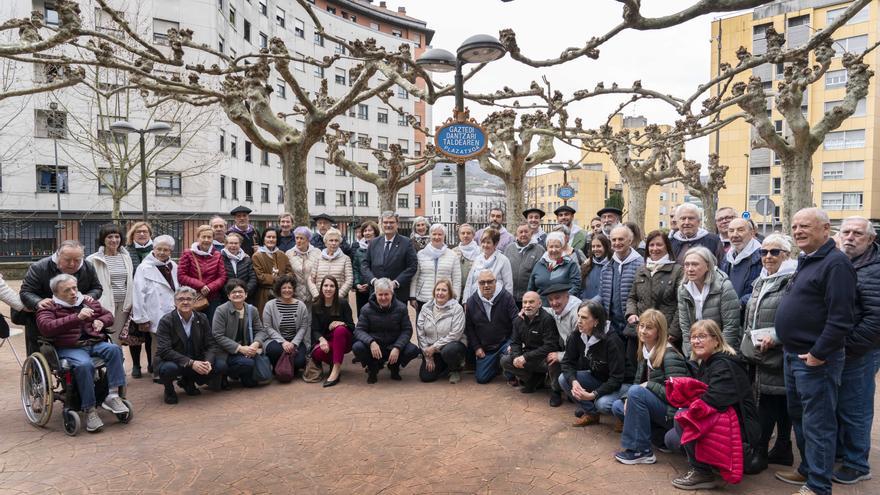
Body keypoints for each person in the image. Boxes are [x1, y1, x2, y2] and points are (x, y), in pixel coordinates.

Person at [773, 209, 857, 495]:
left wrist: (818, 353)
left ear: (825, 229)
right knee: (801, 418)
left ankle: (819, 485)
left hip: (815, 360)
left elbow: (841, 318)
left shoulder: (836, 264)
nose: (798, 231)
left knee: (818, 423)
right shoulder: (808, 259)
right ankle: (808, 470)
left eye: (805, 226)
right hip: (794, 354)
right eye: (795, 226)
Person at [665, 320, 760, 490]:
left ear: (716, 340)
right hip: (725, 424)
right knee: (671, 439)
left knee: (683, 417)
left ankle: (703, 472)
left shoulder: (724, 364)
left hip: (741, 433)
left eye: (702, 336)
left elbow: (715, 400)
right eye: (693, 337)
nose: (696, 341)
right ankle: (712, 462)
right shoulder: (709, 361)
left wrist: (688, 402)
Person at [36, 273, 128, 433]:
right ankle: (89, 409)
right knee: (84, 364)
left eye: (74, 288)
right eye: (67, 290)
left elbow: (108, 315)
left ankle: (112, 396)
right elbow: (46, 328)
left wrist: (101, 321)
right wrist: (76, 317)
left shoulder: (86, 301)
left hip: (93, 343)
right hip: (69, 347)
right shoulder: (50, 307)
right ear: (56, 293)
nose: (73, 293)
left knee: (114, 350)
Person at [739, 234, 796, 468]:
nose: (768, 256)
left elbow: (797, 316)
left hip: (778, 349)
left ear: (787, 255)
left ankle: (760, 451)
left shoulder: (792, 279)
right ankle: (781, 448)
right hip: (760, 351)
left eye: (774, 252)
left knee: (771, 401)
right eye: (764, 252)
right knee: (773, 400)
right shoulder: (762, 279)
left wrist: (776, 337)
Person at [834, 217, 880, 485]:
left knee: (856, 408)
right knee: (840, 404)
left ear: (871, 239)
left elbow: (876, 319)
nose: (850, 237)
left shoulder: (874, 269)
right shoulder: (843, 262)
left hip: (859, 351)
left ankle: (857, 464)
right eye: (846, 232)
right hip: (841, 349)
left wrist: (849, 347)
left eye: (857, 233)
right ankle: (842, 453)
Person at [612, 309, 689, 465]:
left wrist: (649, 385)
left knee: (636, 392)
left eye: (649, 328)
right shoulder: (646, 351)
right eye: (641, 326)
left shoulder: (669, 355)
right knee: (618, 406)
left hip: (672, 414)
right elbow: (637, 382)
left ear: (659, 331)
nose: (643, 331)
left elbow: (679, 396)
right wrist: (627, 398)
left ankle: (641, 451)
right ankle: (659, 439)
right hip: (658, 407)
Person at [20, 240, 103, 356]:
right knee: (40, 353)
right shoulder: (39, 267)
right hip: (45, 318)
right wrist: (38, 302)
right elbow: (26, 292)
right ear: (58, 255)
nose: (72, 264)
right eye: (67, 260)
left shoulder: (88, 267)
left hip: (78, 320)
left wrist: (89, 296)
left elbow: (97, 288)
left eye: (77, 260)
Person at [558, 300, 625, 426]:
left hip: (621, 383)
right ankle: (592, 413)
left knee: (602, 404)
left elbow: (617, 378)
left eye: (584, 317)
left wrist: (593, 394)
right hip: (598, 378)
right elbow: (567, 363)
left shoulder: (612, 341)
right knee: (563, 379)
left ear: (596, 321)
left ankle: (622, 416)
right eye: (578, 316)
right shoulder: (577, 335)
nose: (579, 321)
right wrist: (574, 381)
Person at [155, 286, 223, 404]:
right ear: (175, 302)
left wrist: (208, 362)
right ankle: (169, 390)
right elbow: (164, 350)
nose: (185, 302)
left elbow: (211, 345)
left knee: (220, 366)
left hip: (195, 357)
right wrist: (191, 363)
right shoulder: (166, 321)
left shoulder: (202, 318)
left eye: (189, 299)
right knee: (169, 369)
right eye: (181, 299)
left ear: (194, 301)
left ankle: (187, 381)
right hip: (173, 360)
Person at [352, 278, 420, 383]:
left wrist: (397, 347)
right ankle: (372, 367)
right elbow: (359, 330)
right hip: (375, 347)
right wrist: (371, 342)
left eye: (386, 294)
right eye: (380, 295)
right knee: (357, 347)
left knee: (413, 350)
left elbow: (407, 330)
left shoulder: (401, 308)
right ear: (375, 294)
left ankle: (394, 366)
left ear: (392, 294)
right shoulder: (366, 309)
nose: (383, 298)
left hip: (393, 345)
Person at [677, 246, 741, 357]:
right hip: (696, 351)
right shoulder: (683, 289)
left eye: (695, 264)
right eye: (687, 265)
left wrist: (718, 355)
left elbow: (731, 327)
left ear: (707, 265)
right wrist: (692, 355)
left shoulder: (723, 286)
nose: (690, 269)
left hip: (722, 351)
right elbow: (685, 327)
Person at [130, 235, 178, 378]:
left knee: (173, 342)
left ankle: (173, 370)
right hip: (154, 312)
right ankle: (158, 372)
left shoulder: (174, 266)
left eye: (166, 250)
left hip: (172, 310)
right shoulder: (144, 267)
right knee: (157, 344)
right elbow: (138, 294)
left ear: (171, 251)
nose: (162, 252)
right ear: (154, 249)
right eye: (159, 249)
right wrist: (142, 318)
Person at [626, 230, 683, 346]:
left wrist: (673, 331)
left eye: (659, 244)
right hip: (641, 331)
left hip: (665, 333)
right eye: (651, 245)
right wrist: (631, 313)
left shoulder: (677, 271)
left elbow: (681, 305)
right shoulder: (641, 270)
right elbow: (632, 297)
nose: (655, 248)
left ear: (667, 247)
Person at [211, 278, 269, 388]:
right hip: (225, 351)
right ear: (228, 296)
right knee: (246, 364)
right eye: (233, 292)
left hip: (247, 350)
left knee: (251, 383)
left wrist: (255, 344)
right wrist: (240, 348)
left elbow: (260, 331)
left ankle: (241, 374)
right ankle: (225, 375)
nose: (237, 294)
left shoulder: (252, 310)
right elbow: (218, 335)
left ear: (246, 294)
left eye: (240, 291)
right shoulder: (221, 310)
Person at [464, 269, 519, 384]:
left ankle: (510, 373)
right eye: (482, 282)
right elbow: (469, 328)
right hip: (487, 348)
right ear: (478, 284)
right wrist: (477, 347)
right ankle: (497, 365)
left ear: (495, 282)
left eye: (489, 282)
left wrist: (513, 342)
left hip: (505, 344)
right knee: (482, 378)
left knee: (509, 355)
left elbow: (516, 322)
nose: (486, 285)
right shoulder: (471, 302)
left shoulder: (506, 297)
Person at [501, 291, 558, 392]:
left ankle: (555, 391)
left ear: (539, 304)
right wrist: (516, 357)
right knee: (505, 360)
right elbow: (515, 342)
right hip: (527, 356)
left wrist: (525, 357)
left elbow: (550, 346)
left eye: (531, 302)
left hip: (543, 358)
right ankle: (533, 380)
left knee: (554, 362)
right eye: (525, 302)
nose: (527, 305)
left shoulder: (547, 319)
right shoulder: (518, 320)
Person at [87, 224, 133, 346]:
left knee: (117, 339)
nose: (114, 240)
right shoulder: (92, 259)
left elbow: (129, 281)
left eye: (117, 237)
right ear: (103, 239)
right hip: (103, 304)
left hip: (123, 305)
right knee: (103, 336)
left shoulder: (126, 258)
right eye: (110, 237)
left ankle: (117, 358)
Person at [416, 279, 467, 384]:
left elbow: (456, 334)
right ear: (434, 291)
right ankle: (444, 366)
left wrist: (434, 347)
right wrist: (427, 356)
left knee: (449, 351)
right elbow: (420, 333)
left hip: (451, 346)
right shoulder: (425, 308)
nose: (440, 293)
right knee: (426, 377)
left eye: (444, 290)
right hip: (432, 351)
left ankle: (455, 369)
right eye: (438, 290)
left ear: (450, 293)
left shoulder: (457, 308)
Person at [361, 211, 418, 301]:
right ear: (381, 224)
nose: (388, 225)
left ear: (397, 224)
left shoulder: (407, 243)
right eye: (385, 222)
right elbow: (365, 265)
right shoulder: (374, 242)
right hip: (376, 294)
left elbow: (412, 266)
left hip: (398, 294)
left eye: (391, 222)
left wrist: (396, 283)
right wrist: (373, 281)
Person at [541, 284, 582, 407]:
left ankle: (575, 392)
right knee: (551, 356)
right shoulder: (559, 309)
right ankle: (556, 390)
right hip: (569, 349)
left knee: (556, 357)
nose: (554, 303)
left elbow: (581, 348)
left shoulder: (577, 314)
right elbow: (547, 310)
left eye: (557, 297)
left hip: (583, 355)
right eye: (550, 299)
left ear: (567, 296)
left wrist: (560, 356)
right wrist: (528, 309)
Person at [261, 275, 309, 378]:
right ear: (279, 289)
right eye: (284, 288)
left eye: (289, 287)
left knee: (299, 361)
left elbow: (303, 326)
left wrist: (294, 343)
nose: (287, 290)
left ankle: (288, 368)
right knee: (275, 350)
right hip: (275, 340)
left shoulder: (301, 305)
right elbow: (267, 327)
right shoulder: (270, 305)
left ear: (293, 289)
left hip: (295, 341)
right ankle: (277, 367)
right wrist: (283, 342)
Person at [310, 275, 354, 386]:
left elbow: (352, 326)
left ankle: (335, 370)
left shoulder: (343, 303)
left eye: (332, 286)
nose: (328, 289)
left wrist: (342, 323)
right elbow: (315, 329)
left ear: (336, 288)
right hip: (328, 342)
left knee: (339, 330)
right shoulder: (316, 305)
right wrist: (322, 340)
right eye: (325, 285)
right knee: (317, 352)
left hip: (343, 341)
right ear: (321, 288)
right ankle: (335, 362)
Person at [178, 224, 227, 323]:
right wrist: (201, 286)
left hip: (212, 299)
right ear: (198, 238)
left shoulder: (217, 255)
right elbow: (181, 276)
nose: (206, 240)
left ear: (213, 239)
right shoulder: (188, 253)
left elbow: (222, 277)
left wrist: (209, 288)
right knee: (193, 326)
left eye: (209, 237)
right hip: (193, 297)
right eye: (203, 237)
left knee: (211, 326)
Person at [411, 224, 461, 313]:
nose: (437, 237)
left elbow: (456, 279)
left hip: (445, 299)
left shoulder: (452, 255)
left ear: (444, 236)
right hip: (424, 298)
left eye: (440, 234)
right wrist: (412, 296)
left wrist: (455, 298)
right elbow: (415, 277)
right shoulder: (421, 254)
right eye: (434, 234)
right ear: (430, 235)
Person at [528, 232, 580, 305]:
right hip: (542, 306)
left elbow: (576, 285)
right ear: (547, 248)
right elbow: (531, 288)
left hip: (562, 306)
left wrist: (564, 299)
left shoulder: (570, 264)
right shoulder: (539, 264)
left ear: (562, 248)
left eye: (557, 246)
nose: (554, 250)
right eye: (551, 247)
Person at [462, 228, 514, 302]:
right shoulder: (477, 259)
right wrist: (465, 300)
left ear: (495, 244)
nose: (485, 245)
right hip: (476, 301)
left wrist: (506, 303)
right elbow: (469, 282)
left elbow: (508, 285)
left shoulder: (503, 260)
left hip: (496, 302)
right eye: (483, 242)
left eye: (488, 242)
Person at [252, 226, 294, 315]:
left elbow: (290, 272)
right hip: (264, 294)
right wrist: (277, 278)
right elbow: (260, 276)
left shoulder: (282, 255)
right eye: (268, 237)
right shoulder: (257, 256)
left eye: (274, 237)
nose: (271, 239)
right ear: (264, 239)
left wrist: (284, 279)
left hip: (282, 293)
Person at [722, 218, 762, 305]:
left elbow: (763, 290)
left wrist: (740, 304)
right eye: (731, 231)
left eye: (740, 230)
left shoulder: (763, 258)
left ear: (752, 233)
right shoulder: (727, 258)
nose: (735, 235)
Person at [504, 222, 545, 306]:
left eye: (526, 231)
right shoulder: (509, 249)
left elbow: (542, 275)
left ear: (531, 233)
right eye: (521, 232)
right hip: (510, 297)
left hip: (530, 299)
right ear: (516, 234)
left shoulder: (540, 250)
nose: (523, 234)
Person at [309, 227, 353, 301]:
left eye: (336, 240)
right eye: (331, 240)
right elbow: (311, 279)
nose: (334, 243)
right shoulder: (318, 258)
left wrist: (338, 296)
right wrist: (316, 295)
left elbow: (349, 280)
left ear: (339, 243)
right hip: (320, 300)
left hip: (338, 300)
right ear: (325, 242)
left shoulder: (346, 259)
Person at [286, 226, 321, 306]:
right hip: (296, 295)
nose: (298, 241)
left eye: (301, 238)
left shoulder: (317, 252)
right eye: (297, 238)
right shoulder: (289, 254)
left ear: (308, 240)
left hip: (313, 294)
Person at [352, 221, 379, 315]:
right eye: (365, 231)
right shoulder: (359, 250)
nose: (367, 233)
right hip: (361, 289)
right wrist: (357, 284)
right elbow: (355, 268)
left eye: (370, 230)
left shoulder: (380, 248)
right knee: (362, 314)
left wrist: (369, 284)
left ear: (375, 232)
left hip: (375, 287)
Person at [220, 233, 257, 300]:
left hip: (245, 297)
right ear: (226, 244)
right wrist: (230, 293)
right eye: (231, 243)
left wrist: (244, 292)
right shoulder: (220, 259)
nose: (233, 245)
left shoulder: (247, 259)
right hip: (226, 297)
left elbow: (253, 278)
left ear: (240, 244)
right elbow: (220, 279)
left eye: (236, 243)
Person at [580, 234, 611, 301]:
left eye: (599, 246)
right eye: (593, 246)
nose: (595, 249)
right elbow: (581, 287)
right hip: (585, 303)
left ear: (605, 247)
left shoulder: (611, 265)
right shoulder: (586, 265)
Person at [453, 223, 480, 295]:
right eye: (463, 233)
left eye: (468, 233)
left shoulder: (480, 251)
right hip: (457, 290)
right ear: (459, 235)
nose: (465, 235)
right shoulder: (453, 252)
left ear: (473, 235)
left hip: (475, 290)